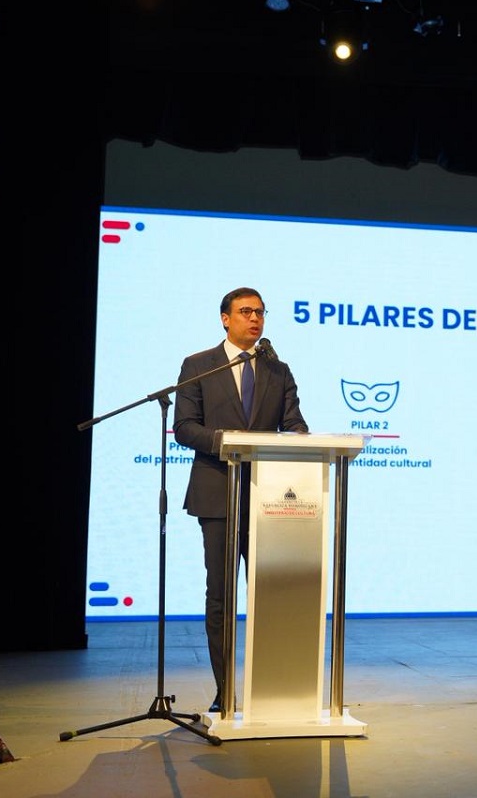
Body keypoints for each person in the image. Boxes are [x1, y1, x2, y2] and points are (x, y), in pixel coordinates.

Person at [173, 286, 309, 713]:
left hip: (270, 500)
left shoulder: (278, 370)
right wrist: (227, 442)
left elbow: (294, 424)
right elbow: (185, 427)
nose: (255, 319)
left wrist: (301, 441)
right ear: (225, 318)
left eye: (261, 312)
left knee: (270, 597)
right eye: (246, 311)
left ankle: (271, 689)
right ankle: (225, 690)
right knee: (221, 596)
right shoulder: (198, 366)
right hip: (217, 495)